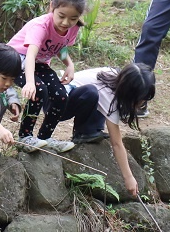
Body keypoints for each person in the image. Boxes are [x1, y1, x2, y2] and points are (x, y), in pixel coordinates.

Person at [7, 0, 86, 153]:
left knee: (61, 96)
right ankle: (25, 137)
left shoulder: (74, 28)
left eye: (73, 18)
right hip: (16, 59)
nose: (66, 23)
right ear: (52, 7)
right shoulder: (40, 26)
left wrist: (70, 65)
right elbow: (29, 55)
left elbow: (61, 47)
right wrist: (30, 82)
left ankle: (45, 138)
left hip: (40, 63)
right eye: (61, 16)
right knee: (39, 90)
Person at [58, 63, 156, 196]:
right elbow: (116, 143)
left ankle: (89, 130)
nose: (143, 102)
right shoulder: (109, 95)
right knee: (92, 93)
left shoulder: (115, 79)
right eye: (141, 99)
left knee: (95, 97)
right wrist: (128, 178)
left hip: (76, 97)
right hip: (58, 105)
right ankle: (83, 133)